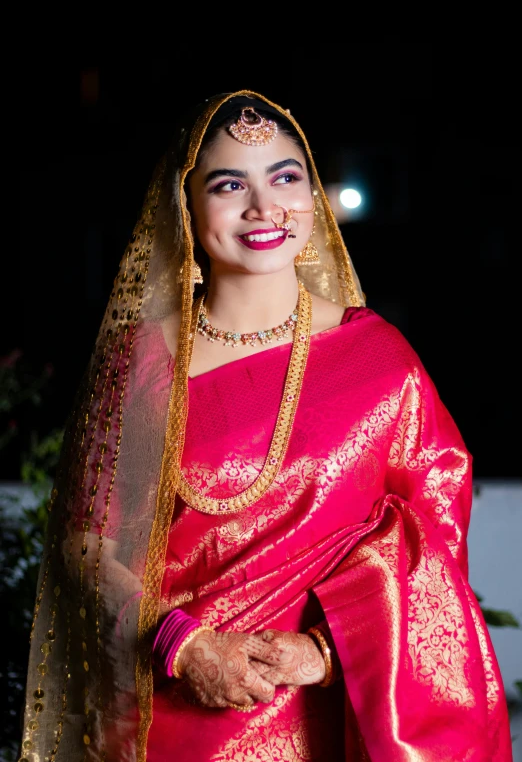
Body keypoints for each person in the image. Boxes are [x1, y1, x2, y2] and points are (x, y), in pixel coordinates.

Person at [19, 90, 512, 762]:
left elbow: (433, 525)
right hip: (169, 712)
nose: (264, 206)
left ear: (313, 194)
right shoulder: (140, 362)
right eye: (229, 184)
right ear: (186, 208)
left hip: (330, 714)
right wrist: (181, 643)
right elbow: (83, 543)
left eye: (285, 176)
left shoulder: (378, 360)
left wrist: (328, 647)